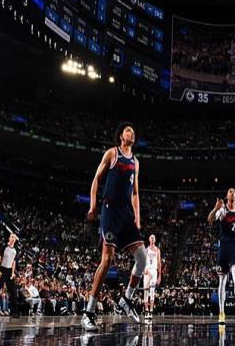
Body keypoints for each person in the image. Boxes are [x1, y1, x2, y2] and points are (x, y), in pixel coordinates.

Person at [82, 122, 147, 331]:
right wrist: (93, 205)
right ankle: (89, 311)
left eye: (133, 131)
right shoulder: (112, 154)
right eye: (128, 130)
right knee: (107, 259)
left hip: (126, 214)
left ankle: (126, 300)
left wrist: (137, 217)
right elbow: (96, 179)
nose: (132, 133)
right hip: (110, 210)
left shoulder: (135, 162)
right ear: (121, 136)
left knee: (142, 258)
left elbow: (135, 193)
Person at [208, 188, 235, 324]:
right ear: (227, 196)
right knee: (222, 281)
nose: (232, 193)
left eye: (234, 192)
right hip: (224, 248)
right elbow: (210, 219)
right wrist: (215, 208)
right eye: (230, 191)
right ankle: (222, 313)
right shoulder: (222, 210)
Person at [0, 233, 19, 318]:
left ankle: (14, 312)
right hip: (2, 270)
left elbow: (14, 262)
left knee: (13, 292)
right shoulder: (4, 247)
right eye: (11, 237)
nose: (13, 238)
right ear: (9, 238)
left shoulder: (15, 250)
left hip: (9, 271)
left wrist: (13, 273)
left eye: (14, 237)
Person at [143, 234, 161, 320]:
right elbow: (142, 261)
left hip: (154, 271)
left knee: (152, 292)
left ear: (155, 240)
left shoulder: (157, 250)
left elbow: (159, 263)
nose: (153, 239)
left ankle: (151, 311)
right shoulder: (146, 250)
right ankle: (146, 310)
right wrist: (145, 270)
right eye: (151, 238)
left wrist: (160, 276)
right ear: (149, 239)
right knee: (146, 292)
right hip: (147, 271)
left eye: (154, 238)